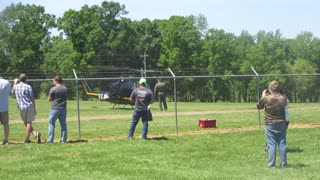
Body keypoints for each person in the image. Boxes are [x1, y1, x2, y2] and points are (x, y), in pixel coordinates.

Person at [257, 80, 287, 168]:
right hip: (281, 123)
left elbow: (259, 107)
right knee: (282, 144)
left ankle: (271, 165)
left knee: (271, 144)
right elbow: (284, 101)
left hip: (270, 123)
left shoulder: (266, 98)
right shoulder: (283, 98)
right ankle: (284, 164)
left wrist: (263, 96)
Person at [12, 74, 41, 144]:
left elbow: (12, 91)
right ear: (26, 79)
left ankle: (28, 138)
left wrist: (15, 83)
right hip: (29, 106)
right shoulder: (28, 86)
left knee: (26, 122)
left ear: (19, 79)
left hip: (21, 107)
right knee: (28, 122)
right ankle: (33, 135)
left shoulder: (16, 86)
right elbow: (32, 98)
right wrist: (34, 108)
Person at [47, 76, 68, 143]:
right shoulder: (65, 89)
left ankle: (50, 140)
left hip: (55, 108)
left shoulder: (53, 89)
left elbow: (49, 99)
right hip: (63, 108)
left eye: (53, 80)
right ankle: (63, 140)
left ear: (56, 81)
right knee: (63, 124)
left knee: (51, 124)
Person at [0, 76, 11, 145]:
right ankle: (6, 140)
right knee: (6, 124)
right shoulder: (6, 82)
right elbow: (10, 91)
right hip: (4, 107)